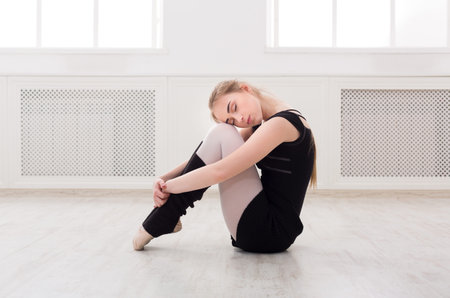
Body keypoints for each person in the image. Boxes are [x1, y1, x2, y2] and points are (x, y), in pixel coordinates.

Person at [133, 80, 316, 253]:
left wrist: (168, 187)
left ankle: (163, 218)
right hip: (260, 225)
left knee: (221, 131)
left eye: (234, 108)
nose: (240, 119)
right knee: (222, 131)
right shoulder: (263, 124)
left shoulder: (281, 123)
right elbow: (209, 157)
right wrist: (165, 178)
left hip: (269, 232)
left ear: (245, 88)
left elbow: (221, 170)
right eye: (232, 120)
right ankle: (166, 218)